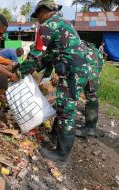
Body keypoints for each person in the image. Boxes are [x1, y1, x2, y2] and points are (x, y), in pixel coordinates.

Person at [31, 0, 92, 162]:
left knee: (66, 111)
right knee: (65, 105)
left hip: (72, 73)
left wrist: (22, 71)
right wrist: (38, 72)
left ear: (43, 11)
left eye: (37, 15)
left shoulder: (47, 26)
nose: (38, 20)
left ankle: (62, 153)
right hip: (78, 71)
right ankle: (55, 135)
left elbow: (36, 55)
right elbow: (50, 56)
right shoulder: (63, 23)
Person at [75, 41, 104, 137]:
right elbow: (101, 63)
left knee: (74, 95)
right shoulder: (93, 48)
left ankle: (90, 127)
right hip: (94, 71)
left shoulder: (76, 46)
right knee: (92, 96)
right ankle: (91, 127)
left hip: (86, 70)